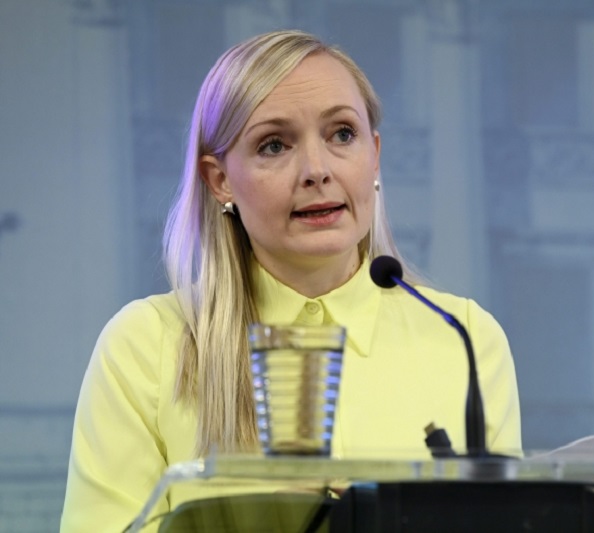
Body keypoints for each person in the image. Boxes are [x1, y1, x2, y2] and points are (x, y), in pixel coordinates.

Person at [61, 30, 521, 532]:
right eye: (274, 144)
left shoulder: (464, 336)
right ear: (220, 181)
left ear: (375, 155)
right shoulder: (145, 346)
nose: (317, 171)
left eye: (342, 134)